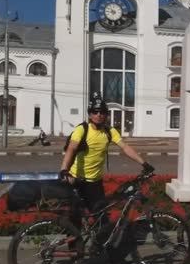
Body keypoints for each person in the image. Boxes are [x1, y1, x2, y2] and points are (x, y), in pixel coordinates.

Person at [59, 92, 155, 226]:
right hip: (75, 179)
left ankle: (98, 245)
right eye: (95, 112)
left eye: (102, 112)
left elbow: (125, 147)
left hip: (95, 183)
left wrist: (144, 163)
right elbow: (71, 148)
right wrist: (64, 170)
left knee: (101, 218)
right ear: (90, 114)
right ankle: (75, 247)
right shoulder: (82, 129)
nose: (99, 115)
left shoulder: (109, 131)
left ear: (106, 114)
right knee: (75, 220)